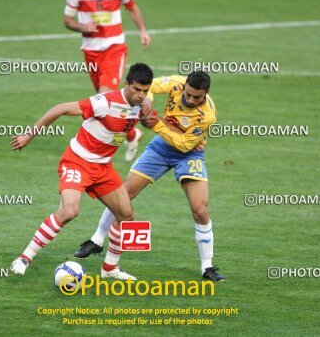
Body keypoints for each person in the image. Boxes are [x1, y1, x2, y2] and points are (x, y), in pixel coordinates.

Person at [73, 72, 225, 281]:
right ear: (185, 86)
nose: (190, 100)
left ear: (206, 94)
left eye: (196, 97)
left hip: (189, 154)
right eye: (188, 94)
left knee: (200, 210)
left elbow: (184, 144)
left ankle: (207, 267)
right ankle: (97, 240)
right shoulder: (176, 83)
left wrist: (156, 124)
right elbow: (149, 86)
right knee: (124, 194)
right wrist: (148, 102)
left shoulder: (207, 114)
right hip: (161, 147)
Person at [10, 63, 154, 280]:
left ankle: (110, 269)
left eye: (145, 91)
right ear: (127, 85)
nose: (141, 95)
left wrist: (147, 114)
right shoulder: (105, 102)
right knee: (69, 211)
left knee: (126, 215)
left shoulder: (141, 104)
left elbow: (144, 115)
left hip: (103, 168)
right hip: (77, 161)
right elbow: (60, 108)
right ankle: (24, 258)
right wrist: (30, 134)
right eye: (137, 90)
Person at [63, 0, 152, 161]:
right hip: (91, 52)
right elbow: (67, 21)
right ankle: (131, 134)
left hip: (114, 49)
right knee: (103, 102)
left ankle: (96, 151)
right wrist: (81, 26)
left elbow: (132, 8)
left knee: (103, 97)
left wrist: (143, 31)